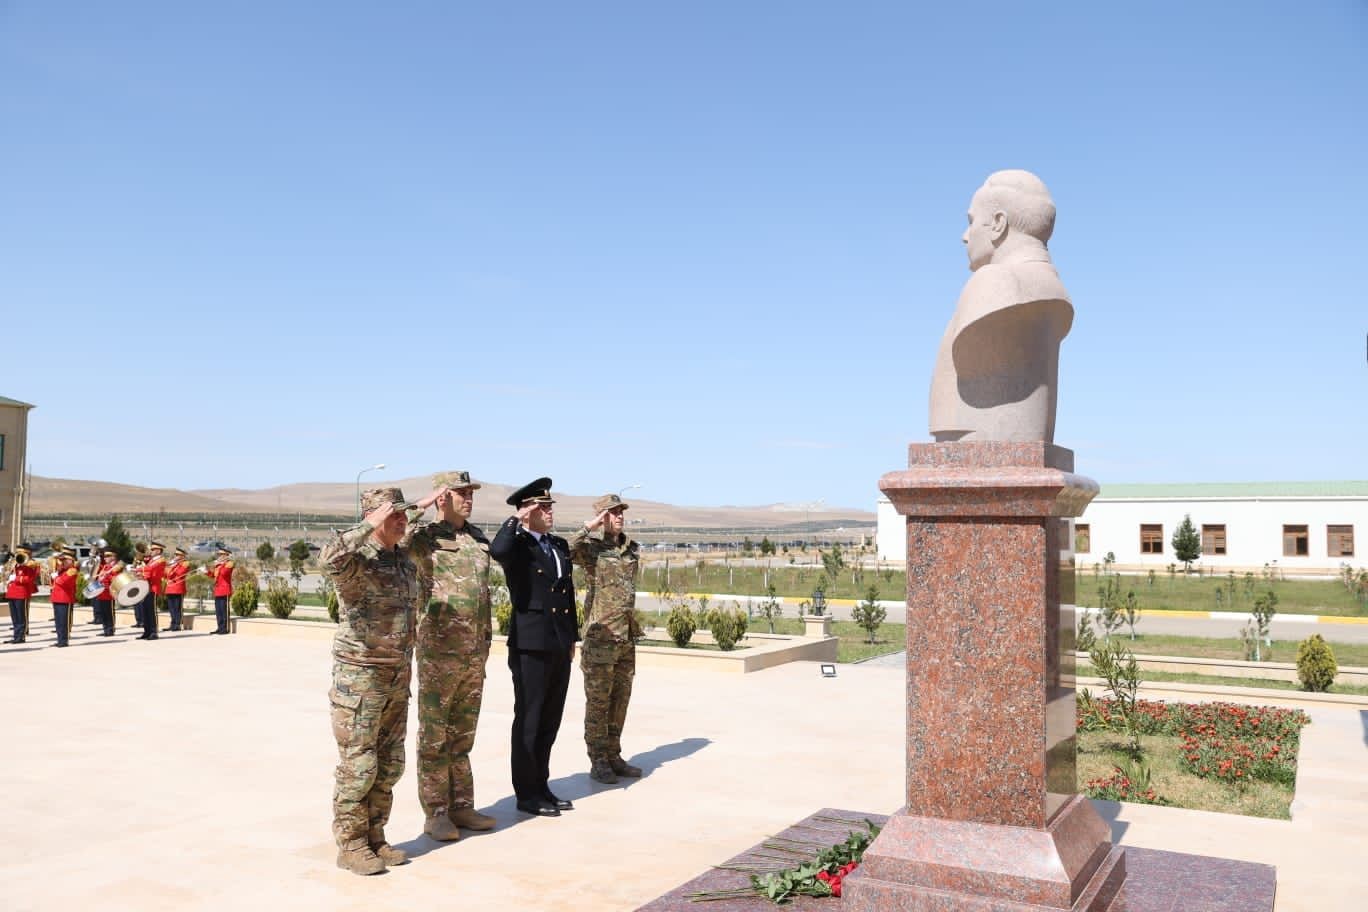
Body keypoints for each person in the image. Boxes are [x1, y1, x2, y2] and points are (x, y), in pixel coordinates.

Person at [928, 169, 1073, 444]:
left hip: (977, 443)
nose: (964, 236)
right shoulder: (1049, 285)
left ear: (998, 223)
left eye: (971, 222)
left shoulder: (996, 283)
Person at [322, 487, 421, 876]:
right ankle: (351, 844)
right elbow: (328, 556)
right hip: (360, 680)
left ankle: (376, 835)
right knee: (359, 766)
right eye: (394, 515)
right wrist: (368, 523)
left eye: (403, 514)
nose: (403, 520)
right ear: (375, 518)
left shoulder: (403, 561)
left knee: (390, 763)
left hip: (397, 676)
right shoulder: (355, 562)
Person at [403, 471, 497, 841]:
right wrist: (423, 505)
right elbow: (398, 533)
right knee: (434, 737)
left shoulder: (476, 539)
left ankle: (462, 806)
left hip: (473, 654)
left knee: (462, 736)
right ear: (443, 497)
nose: (468, 497)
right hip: (439, 653)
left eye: (470, 492)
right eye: (459, 493)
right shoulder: (425, 539)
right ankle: (436, 813)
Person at [489, 477, 579, 818]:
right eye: (542, 507)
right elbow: (497, 551)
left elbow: (566, 595)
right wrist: (516, 521)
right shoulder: (517, 545)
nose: (549, 511)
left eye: (550, 506)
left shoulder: (558, 545)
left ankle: (542, 785)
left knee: (550, 720)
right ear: (527, 511)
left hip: (557, 642)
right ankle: (526, 793)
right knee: (529, 718)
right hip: (530, 644)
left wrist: (572, 637)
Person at [570, 493, 645, 783]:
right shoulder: (591, 550)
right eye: (612, 513)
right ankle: (598, 759)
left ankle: (614, 754)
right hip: (600, 638)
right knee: (598, 703)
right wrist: (589, 526)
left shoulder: (630, 550)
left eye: (621, 512)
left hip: (625, 637)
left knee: (619, 700)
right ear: (602, 518)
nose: (619, 517)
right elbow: (565, 549)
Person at [5, 547, 40, 644]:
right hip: (11, 594)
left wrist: (15, 578)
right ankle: (16, 636)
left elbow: (28, 579)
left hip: (21, 594)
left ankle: (21, 637)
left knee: (21, 617)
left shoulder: (29, 568)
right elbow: (7, 576)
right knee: (14, 617)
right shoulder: (14, 567)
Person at [136, 541, 167, 641]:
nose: (151, 551)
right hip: (146, 587)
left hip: (153, 587)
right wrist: (137, 570)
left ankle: (153, 632)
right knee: (145, 610)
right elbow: (146, 569)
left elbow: (152, 572)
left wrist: (141, 572)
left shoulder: (160, 560)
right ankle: (147, 631)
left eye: (153, 550)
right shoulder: (152, 560)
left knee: (151, 611)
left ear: (158, 551)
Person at [49, 548, 79, 647]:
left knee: (63, 621)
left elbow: (62, 582)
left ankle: (64, 640)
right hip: (57, 598)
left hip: (65, 599)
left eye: (64, 560)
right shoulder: (62, 570)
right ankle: (60, 639)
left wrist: (56, 577)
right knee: (58, 621)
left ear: (70, 561)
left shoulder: (72, 570)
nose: (62, 562)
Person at [92, 549, 123, 637]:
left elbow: (115, 579)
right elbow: (99, 577)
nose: (105, 558)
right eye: (105, 556)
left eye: (107, 556)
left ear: (113, 557)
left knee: (109, 612)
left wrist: (107, 575)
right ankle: (105, 628)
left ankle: (110, 629)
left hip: (109, 592)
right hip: (101, 592)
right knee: (103, 612)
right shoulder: (105, 566)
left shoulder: (115, 567)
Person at [206, 548, 235, 634]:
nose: (219, 556)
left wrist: (219, 564)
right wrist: (206, 571)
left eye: (221, 554)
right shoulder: (218, 565)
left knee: (224, 610)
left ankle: (225, 628)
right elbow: (214, 576)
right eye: (219, 554)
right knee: (218, 611)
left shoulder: (229, 564)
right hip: (218, 590)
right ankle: (219, 627)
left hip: (225, 589)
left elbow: (224, 574)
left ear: (226, 555)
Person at [163, 547, 190, 631]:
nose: (175, 556)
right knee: (171, 608)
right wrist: (169, 566)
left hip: (178, 587)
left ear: (182, 556)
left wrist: (171, 566)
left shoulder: (185, 563)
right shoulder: (173, 564)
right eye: (175, 554)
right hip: (170, 587)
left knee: (177, 607)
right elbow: (165, 574)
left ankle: (178, 624)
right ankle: (172, 623)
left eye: (178, 555)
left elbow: (180, 573)